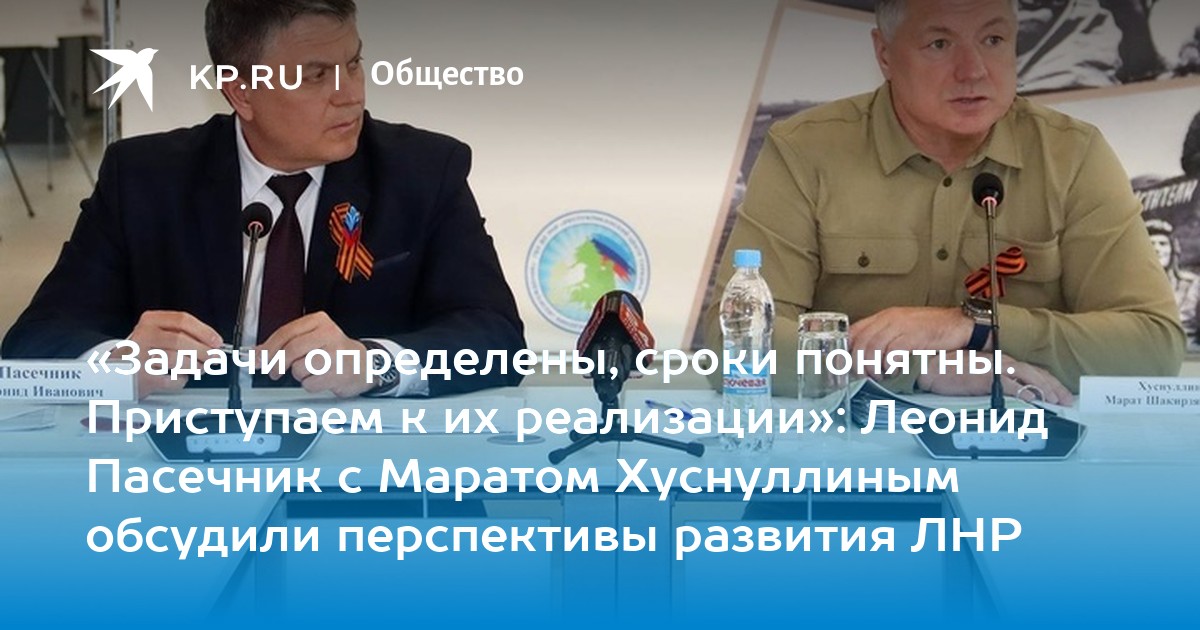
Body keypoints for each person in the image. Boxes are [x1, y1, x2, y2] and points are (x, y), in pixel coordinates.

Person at [1, 0, 526, 399]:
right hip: (188, 477)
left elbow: (498, 340)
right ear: (240, 92)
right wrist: (118, 365)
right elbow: (32, 344)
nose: (350, 94)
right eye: (315, 75)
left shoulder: (422, 171)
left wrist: (375, 363)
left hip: (366, 477)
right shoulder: (143, 179)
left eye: (353, 64)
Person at [705, 0, 1184, 403]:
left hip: (1028, 454)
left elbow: (1153, 347)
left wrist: (974, 329)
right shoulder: (805, 150)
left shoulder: (1073, 155)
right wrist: (920, 370)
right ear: (885, 54)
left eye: (993, 40)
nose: (973, 71)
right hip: (850, 455)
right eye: (939, 44)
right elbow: (733, 347)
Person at [1145, 219, 1199, 344]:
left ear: (1173, 250)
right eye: (1151, 244)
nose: (1157, 249)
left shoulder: (1192, 285)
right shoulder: (1129, 287)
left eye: (1163, 244)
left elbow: (1190, 323)